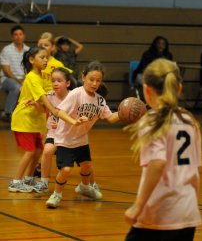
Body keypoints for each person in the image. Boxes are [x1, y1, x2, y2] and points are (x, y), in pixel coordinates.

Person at [124, 59, 202, 241]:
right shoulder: (189, 120)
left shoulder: (153, 121)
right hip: (187, 212)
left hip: (160, 212)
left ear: (147, 90)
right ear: (179, 88)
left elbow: (157, 163)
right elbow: (195, 171)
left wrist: (137, 206)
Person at [8, 46, 84, 193]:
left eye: (46, 58)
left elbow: (45, 97)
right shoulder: (32, 77)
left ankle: (28, 178)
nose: (45, 60)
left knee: (38, 150)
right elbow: (44, 97)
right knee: (30, 151)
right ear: (31, 60)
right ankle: (15, 182)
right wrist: (55, 110)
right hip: (24, 120)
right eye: (42, 57)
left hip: (35, 120)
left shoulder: (41, 76)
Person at [45, 61, 120, 208]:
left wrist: (125, 113)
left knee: (87, 166)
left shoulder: (100, 100)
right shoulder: (76, 94)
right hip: (64, 138)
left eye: (98, 80)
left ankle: (84, 188)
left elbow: (110, 118)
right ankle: (57, 195)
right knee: (66, 170)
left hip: (81, 139)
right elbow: (59, 111)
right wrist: (74, 121)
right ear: (83, 77)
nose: (94, 83)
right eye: (91, 79)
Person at [32, 67, 75, 193]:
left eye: (59, 81)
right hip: (53, 133)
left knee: (84, 163)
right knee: (47, 151)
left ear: (67, 83)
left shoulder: (74, 96)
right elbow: (43, 110)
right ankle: (44, 182)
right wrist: (35, 105)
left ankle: (88, 184)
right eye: (53, 81)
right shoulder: (49, 96)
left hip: (68, 134)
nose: (55, 83)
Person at [0, 25, 30, 122]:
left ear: (24, 36)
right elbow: (6, 71)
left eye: (20, 34)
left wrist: (25, 80)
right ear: (12, 37)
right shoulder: (6, 50)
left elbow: (30, 68)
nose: (18, 36)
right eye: (16, 34)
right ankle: (7, 113)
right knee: (16, 87)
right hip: (8, 80)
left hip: (25, 78)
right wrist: (20, 81)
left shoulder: (28, 50)